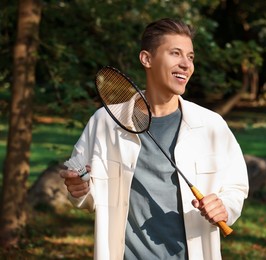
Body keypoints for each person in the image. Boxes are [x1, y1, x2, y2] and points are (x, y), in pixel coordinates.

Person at [60, 18, 249, 260]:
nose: (186, 64)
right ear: (147, 59)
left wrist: (225, 206)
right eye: (175, 53)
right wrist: (79, 189)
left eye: (190, 57)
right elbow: (83, 184)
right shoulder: (105, 122)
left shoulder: (211, 125)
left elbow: (236, 186)